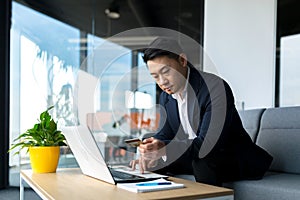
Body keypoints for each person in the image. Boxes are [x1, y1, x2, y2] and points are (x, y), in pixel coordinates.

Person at [130, 37, 273, 186]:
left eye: (166, 72)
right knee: (154, 163)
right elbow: (165, 134)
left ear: (182, 60)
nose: (162, 82)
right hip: (197, 157)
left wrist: (165, 148)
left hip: (231, 158)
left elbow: (208, 145)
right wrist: (151, 148)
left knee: (202, 159)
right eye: (155, 77)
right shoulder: (167, 96)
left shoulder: (215, 88)